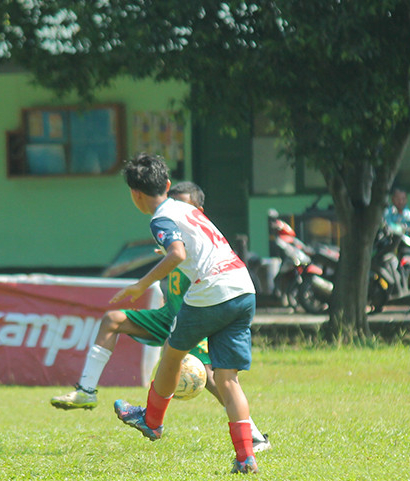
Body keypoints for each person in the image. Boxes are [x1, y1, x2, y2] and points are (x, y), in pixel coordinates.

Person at [52, 179, 270, 454]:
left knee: (212, 378)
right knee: (113, 320)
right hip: (175, 315)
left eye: (184, 205)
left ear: (198, 211)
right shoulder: (175, 239)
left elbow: (188, 265)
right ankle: (86, 390)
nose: (177, 211)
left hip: (201, 313)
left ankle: (251, 435)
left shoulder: (199, 242)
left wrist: (146, 279)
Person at [110, 153, 261, 474]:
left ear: (135, 195)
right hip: (243, 286)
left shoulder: (159, 219)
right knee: (227, 379)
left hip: (212, 291)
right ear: (166, 184)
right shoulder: (188, 209)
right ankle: (246, 456)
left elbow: (177, 253)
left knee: (171, 355)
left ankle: (151, 421)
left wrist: (140, 286)